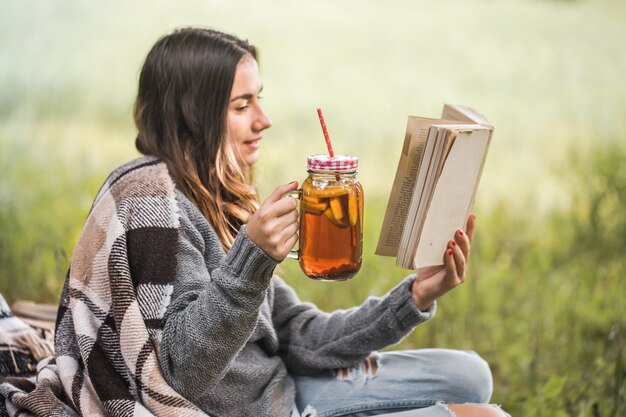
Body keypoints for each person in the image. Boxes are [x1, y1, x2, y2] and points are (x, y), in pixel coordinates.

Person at [0, 28, 509, 417]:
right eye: (243, 105)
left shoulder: (220, 200)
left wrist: (414, 296)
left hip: (280, 385)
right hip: (253, 410)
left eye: (259, 99)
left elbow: (298, 336)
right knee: (484, 413)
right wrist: (254, 257)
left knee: (472, 374)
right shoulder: (151, 209)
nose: (263, 119)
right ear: (194, 116)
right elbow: (180, 375)